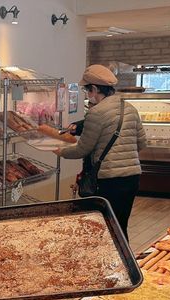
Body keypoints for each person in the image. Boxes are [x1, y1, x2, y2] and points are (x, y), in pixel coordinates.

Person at [55, 65, 145, 239]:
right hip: (132, 177)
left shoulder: (96, 112)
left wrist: (60, 151)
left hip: (108, 180)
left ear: (95, 89)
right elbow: (142, 143)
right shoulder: (130, 108)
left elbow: (83, 149)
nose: (87, 94)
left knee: (104, 229)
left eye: (87, 90)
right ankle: (124, 256)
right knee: (120, 226)